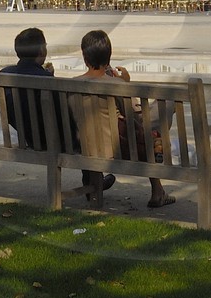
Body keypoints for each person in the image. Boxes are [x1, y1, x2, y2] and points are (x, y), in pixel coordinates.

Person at [73, 29, 173, 208]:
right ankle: (158, 189)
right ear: (108, 58)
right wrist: (125, 84)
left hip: (86, 145)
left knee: (143, 131)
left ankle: (93, 185)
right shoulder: (117, 85)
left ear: (84, 57)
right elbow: (134, 118)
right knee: (166, 105)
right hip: (121, 148)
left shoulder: (70, 86)